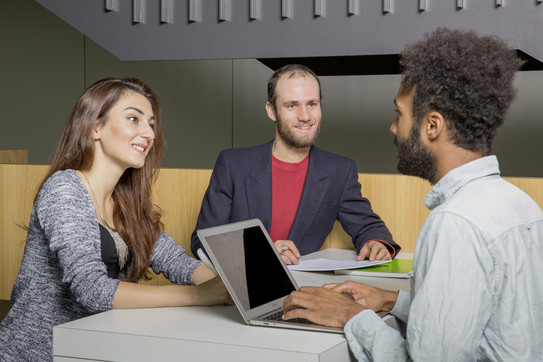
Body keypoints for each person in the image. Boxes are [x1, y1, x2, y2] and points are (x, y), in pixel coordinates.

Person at [282, 28, 543, 361]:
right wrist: (392, 301)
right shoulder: (521, 205)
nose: (394, 128)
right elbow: (486, 326)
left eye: (399, 114)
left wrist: (347, 315)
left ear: (432, 126)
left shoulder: (455, 223)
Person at [0, 77, 232, 360]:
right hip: (40, 354)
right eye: (133, 119)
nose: (148, 133)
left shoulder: (126, 200)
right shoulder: (65, 189)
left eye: (151, 124)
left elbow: (174, 260)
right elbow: (92, 290)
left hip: (94, 349)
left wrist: (231, 289)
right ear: (95, 127)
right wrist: (200, 296)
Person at [190, 64, 400, 265]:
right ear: (271, 111)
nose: (305, 116)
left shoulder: (339, 171)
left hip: (305, 290)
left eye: (312, 104)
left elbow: (369, 226)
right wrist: (262, 252)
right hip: (242, 291)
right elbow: (203, 241)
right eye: (292, 106)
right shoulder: (233, 165)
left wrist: (375, 242)